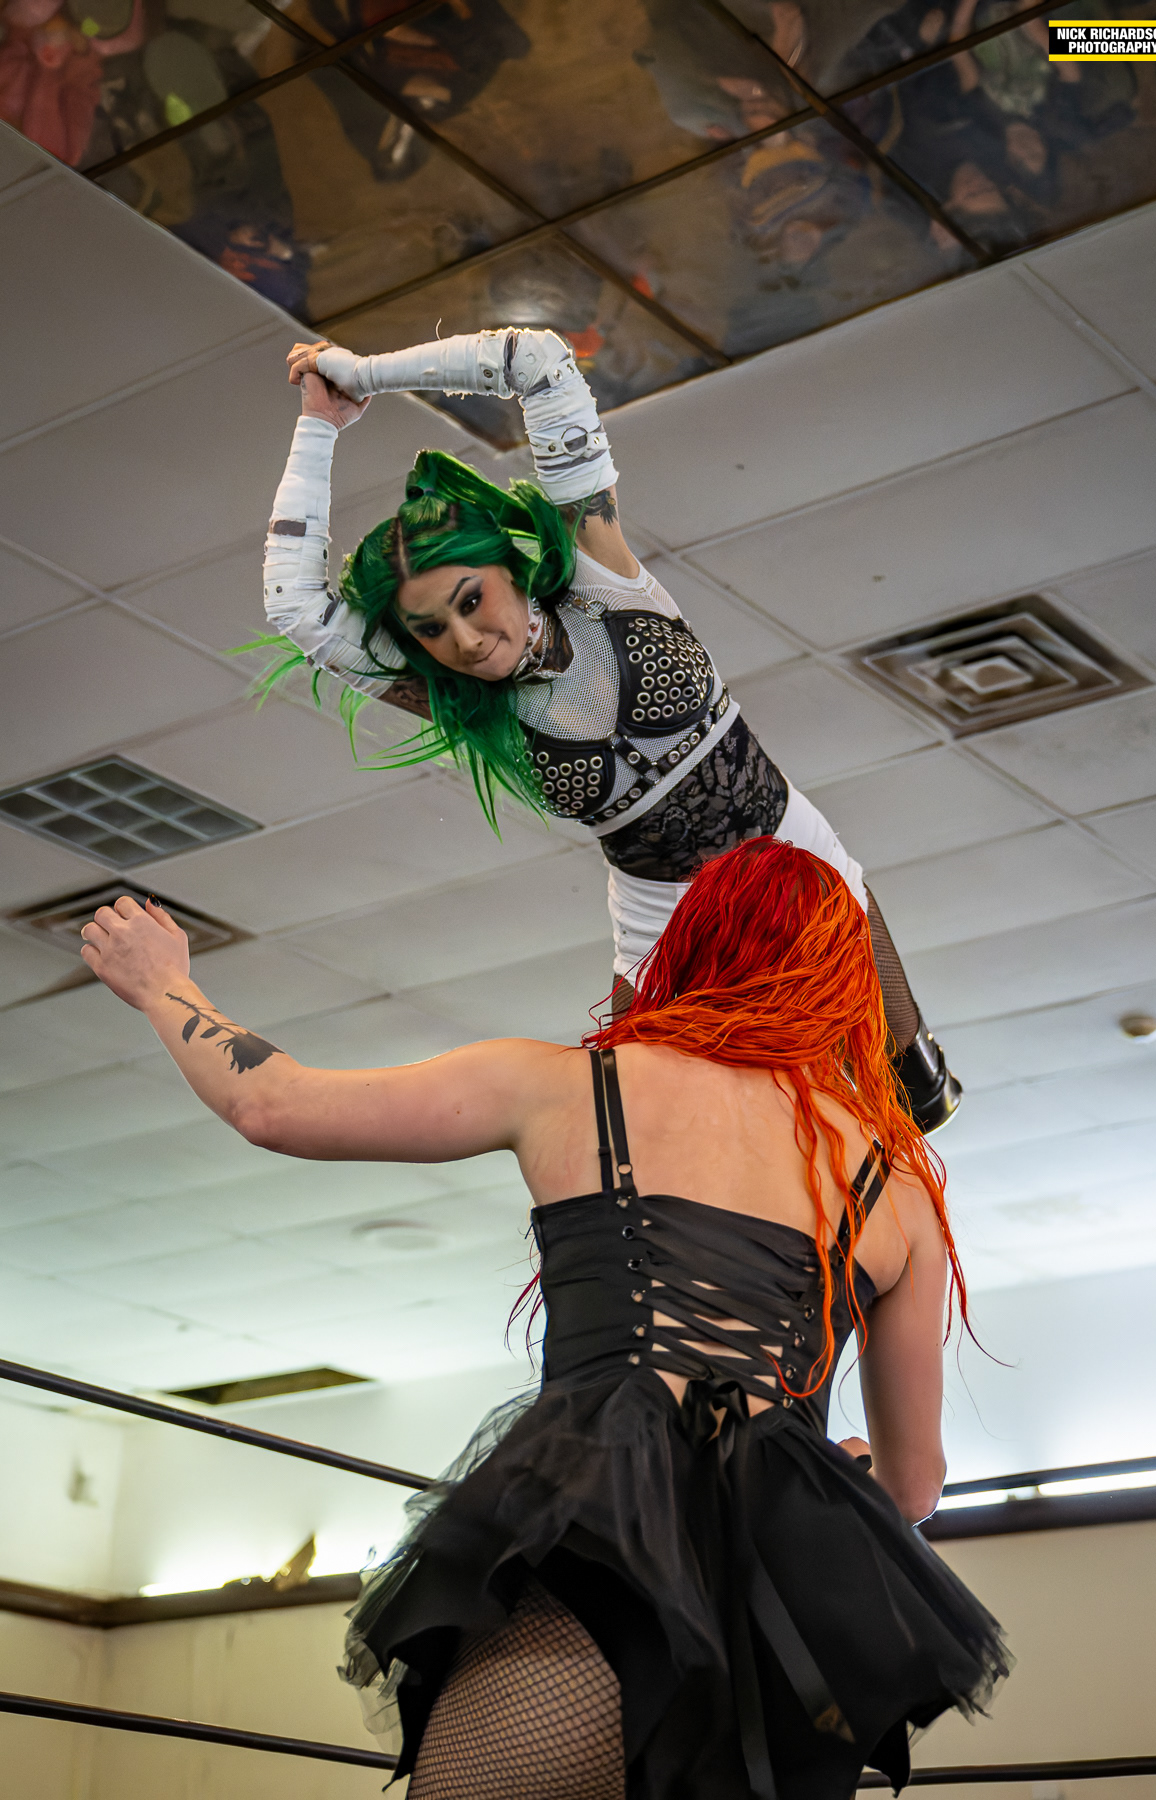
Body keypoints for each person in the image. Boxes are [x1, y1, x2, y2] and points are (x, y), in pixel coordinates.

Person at [80, 842, 1005, 1800]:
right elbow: (913, 1485)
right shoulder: (896, 1186)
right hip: (785, 1599)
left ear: (692, 945)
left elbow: (272, 1104)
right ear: (848, 987)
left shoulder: (573, 1083)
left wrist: (162, 983)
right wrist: (829, 1472)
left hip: (603, 1537)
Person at [263, 324, 959, 1132]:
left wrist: (360, 376)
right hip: (657, 910)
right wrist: (314, 429)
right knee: (632, 1118)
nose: (464, 639)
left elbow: (537, 361)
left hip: (787, 839)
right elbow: (294, 608)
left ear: (510, 568)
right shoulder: (456, 696)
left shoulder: (602, 578)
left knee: (915, 1093)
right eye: (431, 630)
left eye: (471, 600)